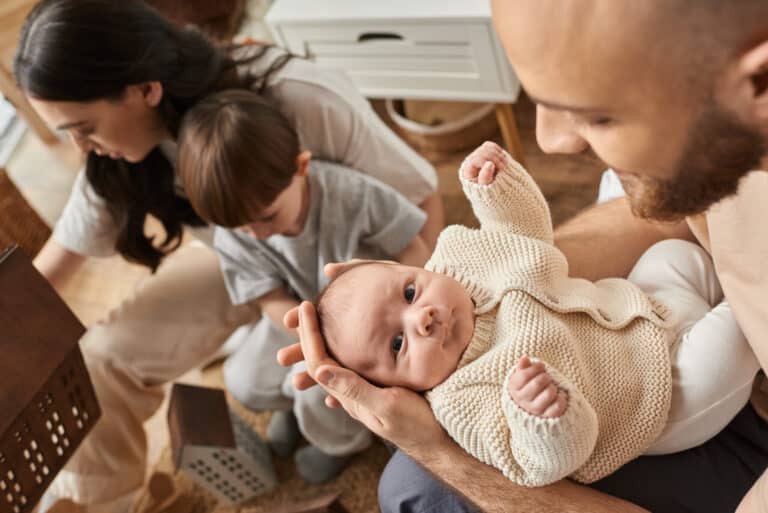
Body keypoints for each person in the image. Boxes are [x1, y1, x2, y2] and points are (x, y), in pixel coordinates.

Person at [278, 1, 768, 512]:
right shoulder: (463, 387)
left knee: (418, 490)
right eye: (398, 341)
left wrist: (437, 451)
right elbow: (537, 240)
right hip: (638, 365)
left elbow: (525, 233)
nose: (549, 140)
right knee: (409, 487)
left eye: (597, 112)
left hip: (672, 386)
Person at [14, 0, 442, 511]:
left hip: (353, 257)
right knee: (101, 360)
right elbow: (42, 282)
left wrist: (407, 329)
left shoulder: (295, 99)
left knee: (322, 376)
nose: (83, 147)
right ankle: (101, 504)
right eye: (70, 134)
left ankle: (332, 425)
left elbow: (420, 200)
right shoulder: (115, 166)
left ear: (145, 89)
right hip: (254, 263)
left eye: (85, 127)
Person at [312, 141, 758, 487]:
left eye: (409, 291)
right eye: (397, 343)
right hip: (661, 399)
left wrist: (495, 188)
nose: (421, 318)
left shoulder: (462, 261)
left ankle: (734, 273)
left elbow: (525, 234)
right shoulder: (461, 401)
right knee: (742, 322)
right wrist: (543, 418)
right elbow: (539, 465)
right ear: (396, 389)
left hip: (641, 308)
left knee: (674, 255)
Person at [175, 89, 431, 483]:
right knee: (244, 378)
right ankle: (293, 411)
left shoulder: (352, 195)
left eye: (266, 217)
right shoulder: (235, 232)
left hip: (367, 324)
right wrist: (308, 333)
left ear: (301, 167)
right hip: (295, 320)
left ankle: (339, 444)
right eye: (242, 227)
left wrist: (413, 299)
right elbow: (269, 299)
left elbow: (412, 246)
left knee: (317, 393)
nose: (257, 235)